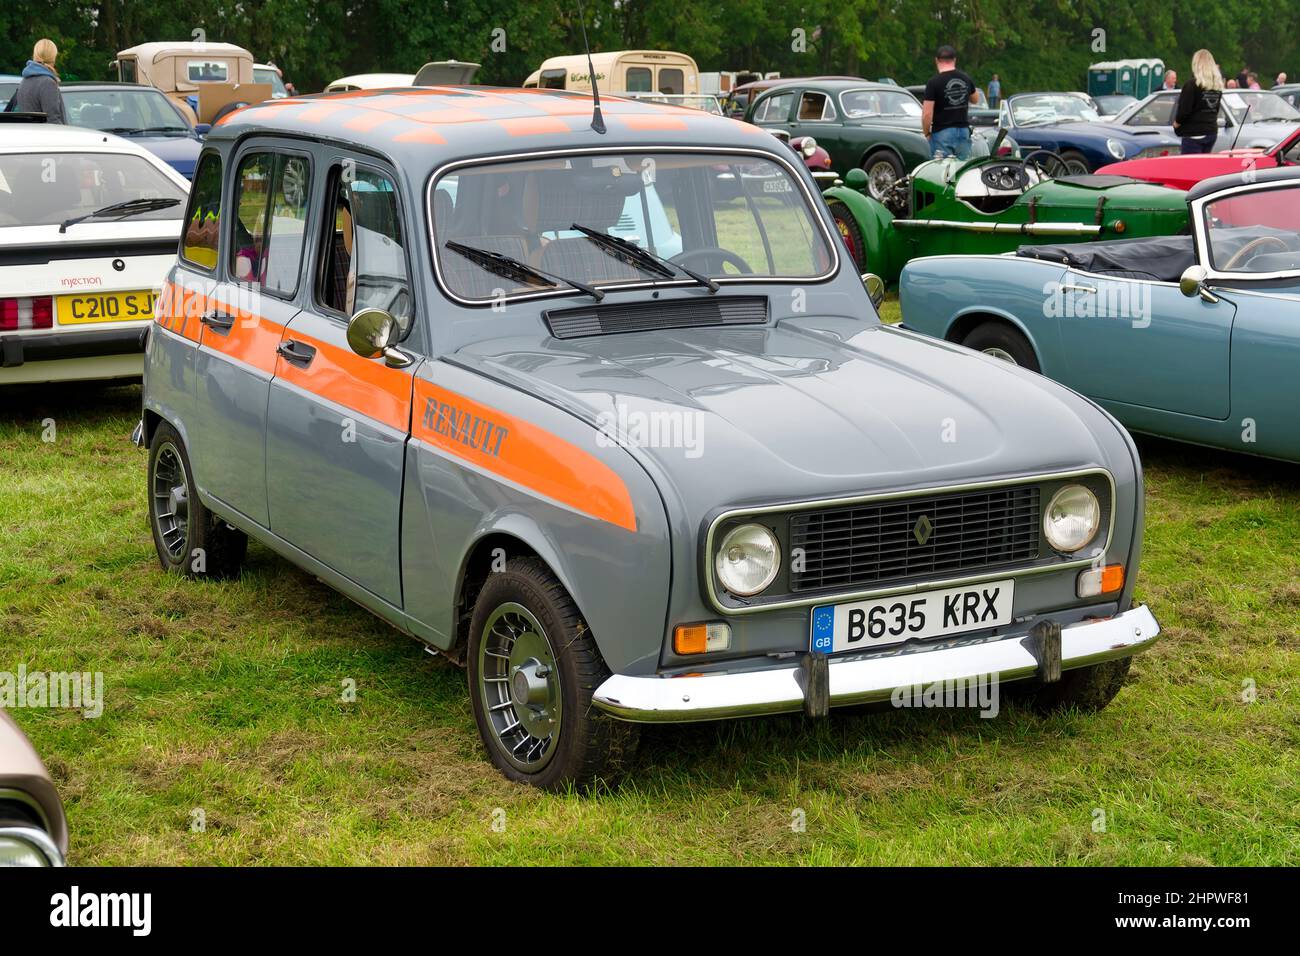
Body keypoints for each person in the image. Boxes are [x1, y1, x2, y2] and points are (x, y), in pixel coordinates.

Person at [921, 44, 979, 160]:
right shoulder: (965, 78)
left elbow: (927, 114)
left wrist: (927, 133)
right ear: (955, 60)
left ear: (936, 60)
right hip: (963, 131)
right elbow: (975, 99)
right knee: (962, 171)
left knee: (942, 171)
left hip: (942, 132)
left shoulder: (933, 82)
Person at [1175, 49, 1224, 154]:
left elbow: (1184, 111)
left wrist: (1177, 123)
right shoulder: (1216, 86)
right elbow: (1216, 109)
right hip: (1211, 132)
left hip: (1194, 133)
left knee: (1190, 168)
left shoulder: (1191, 85)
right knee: (1203, 167)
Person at [3, 39, 65, 122]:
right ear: (53, 57)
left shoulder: (25, 80)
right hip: (44, 134)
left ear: (35, 55)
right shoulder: (48, 83)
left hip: (30, 132)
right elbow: (53, 120)